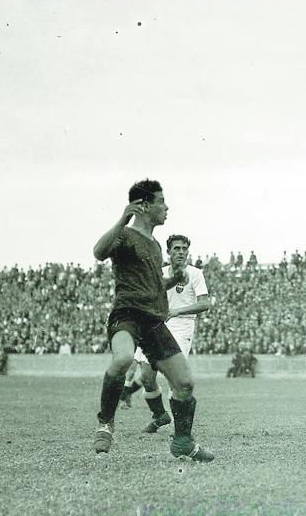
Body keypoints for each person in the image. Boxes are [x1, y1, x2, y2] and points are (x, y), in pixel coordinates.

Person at [90, 179, 213, 461]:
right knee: (122, 360)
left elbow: (156, 286)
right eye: (161, 201)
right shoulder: (125, 235)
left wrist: (173, 280)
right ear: (144, 206)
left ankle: (182, 443)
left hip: (153, 321)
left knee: (184, 383)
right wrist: (123, 217)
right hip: (127, 316)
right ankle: (105, 425)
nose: (166, 207)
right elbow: (98, 252)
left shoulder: (156, 246)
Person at [130, 234, 212, 434]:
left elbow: (205, 303)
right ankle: (160, 416)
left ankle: (181, 429)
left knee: (174, 377)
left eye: (184, 248)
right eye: (176, 248)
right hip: (158, 323)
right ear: (168, 252)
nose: (181, 252)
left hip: (182, 325)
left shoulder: (195, 273)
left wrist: (177, 311)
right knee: (147, 377)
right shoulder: (159, 273)